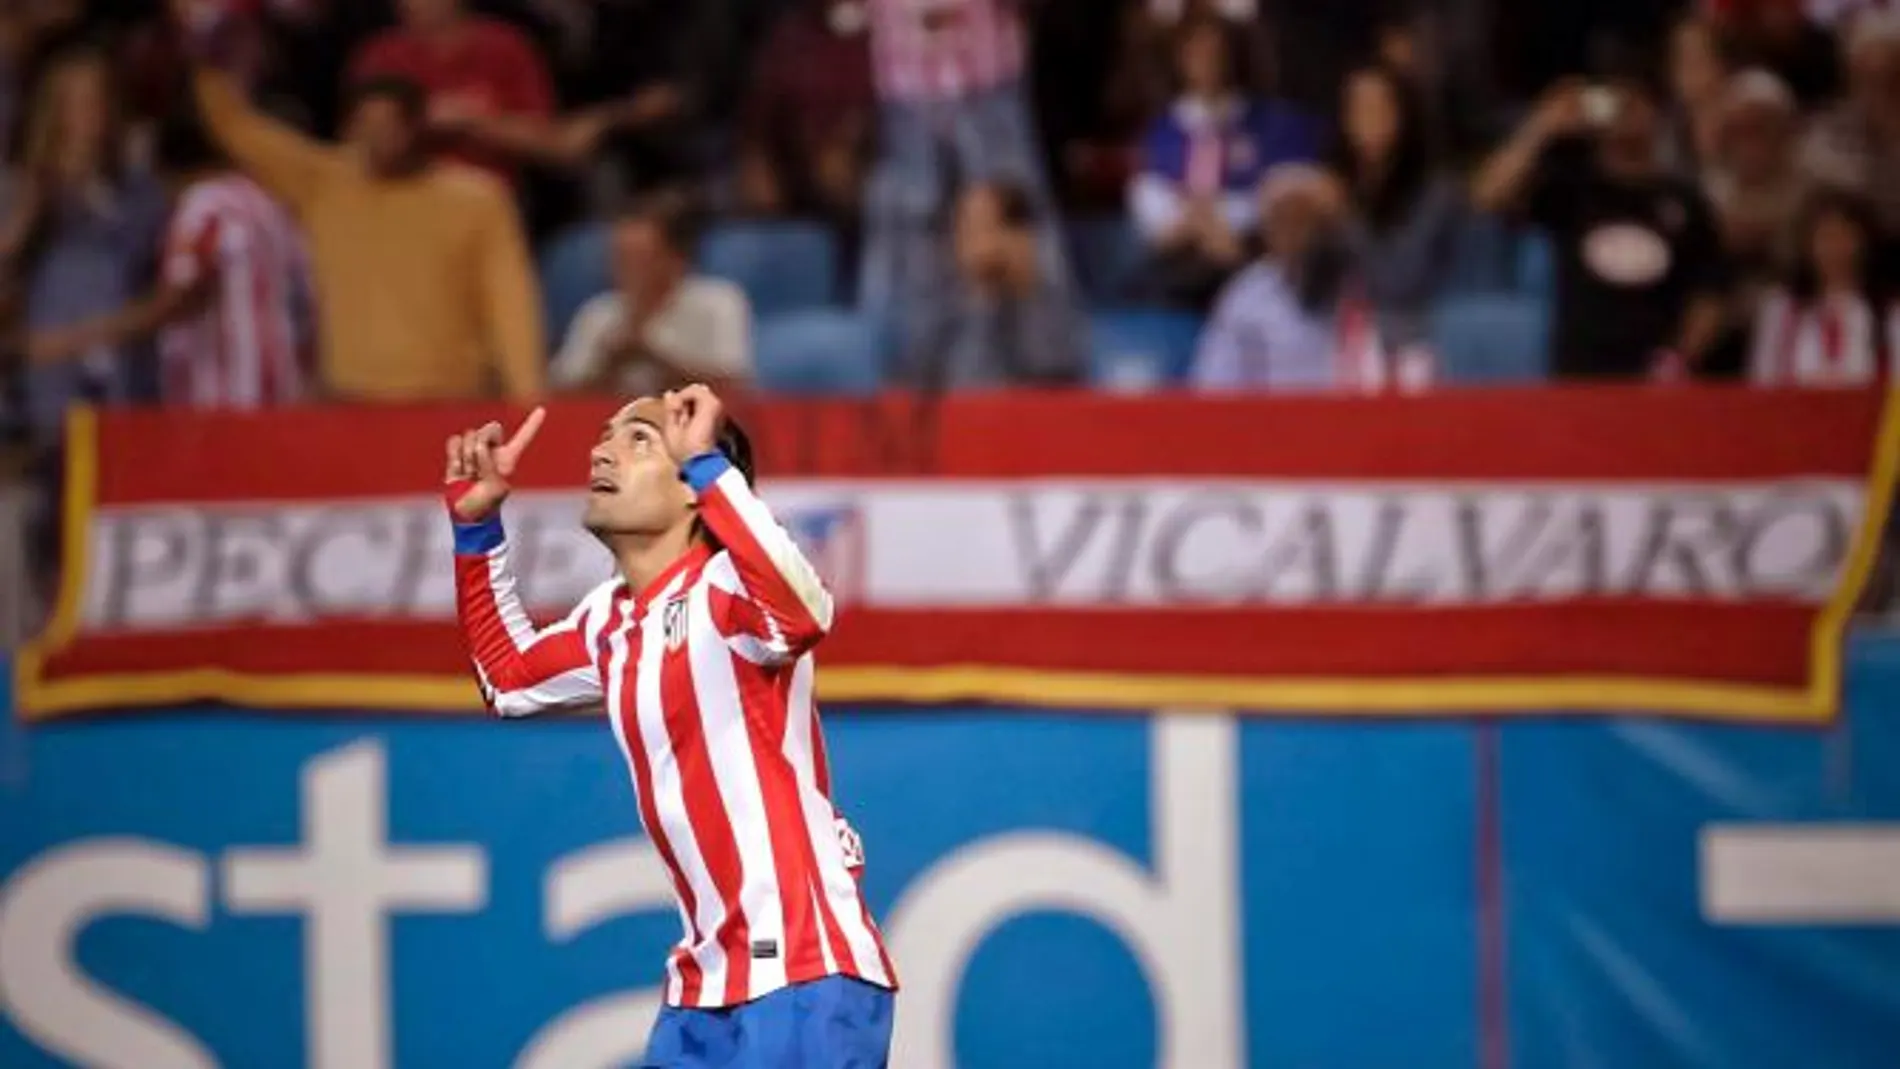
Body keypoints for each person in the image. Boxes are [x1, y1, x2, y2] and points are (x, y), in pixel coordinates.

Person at [442, 386, 896, 1066]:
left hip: (804, 968)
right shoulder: (609, 619)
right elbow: (506, 678)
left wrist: (712, 467)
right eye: (604, 434)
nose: (602, 449)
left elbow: (805, 613)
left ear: (691, 487)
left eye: (639, 438)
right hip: (703, 986)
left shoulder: (727, 588)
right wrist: (477, 532)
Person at [176, 0, 543, 402]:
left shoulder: (477, 200)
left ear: (418, 127)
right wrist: (204, 54)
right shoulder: (324, 182)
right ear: (349, 128)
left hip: (447, 404)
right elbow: (236, 128)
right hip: (348, 405)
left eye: (391, 126)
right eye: (367, 126)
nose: (379, 138)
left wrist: (527, 398)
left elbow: (510, 306)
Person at [25, 103, 312, 408]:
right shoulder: (273, 210)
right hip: (281, 400)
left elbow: (178, 300)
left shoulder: (205, 204)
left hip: (226, 402)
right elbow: (304, 311)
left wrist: (68, 341)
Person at [1472, 77, 1731, 379]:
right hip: (1581, 374)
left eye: (1636, 103)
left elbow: (1710, 293)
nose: (1626, 113)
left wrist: (1680, 359)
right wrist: (1540, 127)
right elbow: (1488, 196)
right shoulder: (1572, 190)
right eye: (1615, 103)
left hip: (1656, 375)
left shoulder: (1685, 201)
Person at [550, 194, 753, 396]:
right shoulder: (597, 314)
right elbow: (558, 397)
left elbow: (735, 390)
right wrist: (609, 367)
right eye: (619, 257)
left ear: (676, 259)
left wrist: (653, 359)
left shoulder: (719, 303)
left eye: (639, 258)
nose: (624, 269)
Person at [1749, 188, 1894, 385]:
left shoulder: (1889, 314)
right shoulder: (1781, 310)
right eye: (1826, 237)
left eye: (1845, 236)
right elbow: (1762, 383)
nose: (1835, 248)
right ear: (1807, 245)